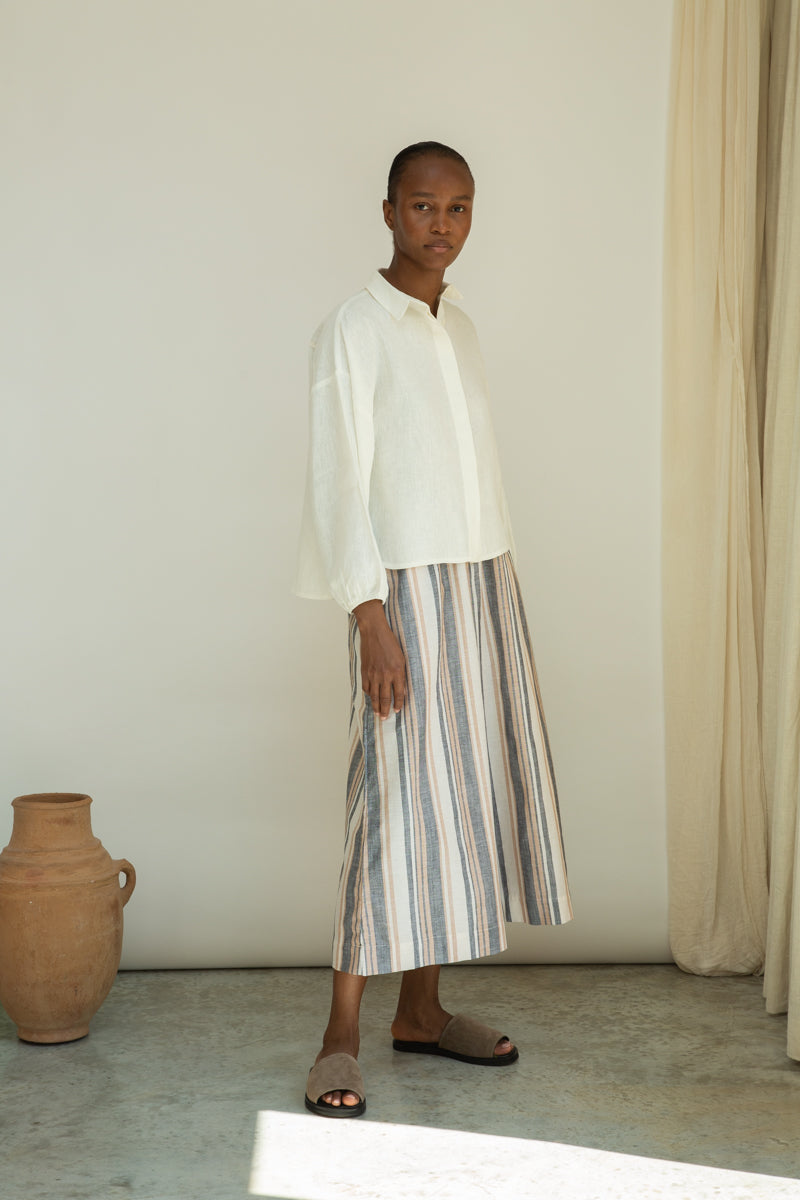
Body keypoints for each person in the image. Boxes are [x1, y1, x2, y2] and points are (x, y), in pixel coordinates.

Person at [294, 141, 572, 1118]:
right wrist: (369, 613)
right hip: (402, 589)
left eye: (456, 208)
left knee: (461, 800)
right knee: (393, 801)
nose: (440, 226)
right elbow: (339, 479)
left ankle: (422, 1012)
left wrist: (493, 584)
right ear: (386, 212)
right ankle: (339, 1037)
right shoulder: (352, 329)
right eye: (421, 206)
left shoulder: (460, 332)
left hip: (482, 578)